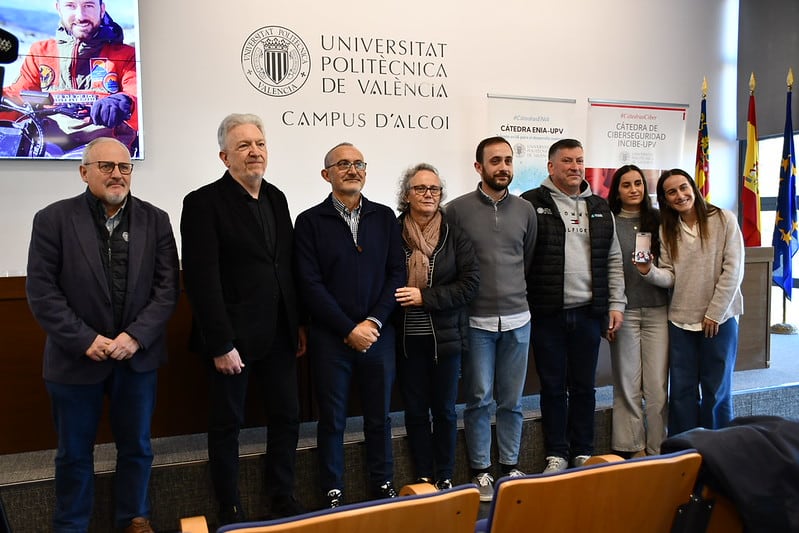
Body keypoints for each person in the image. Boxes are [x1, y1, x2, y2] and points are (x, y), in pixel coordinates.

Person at [25, 136, 179, 533]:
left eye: (124, 167)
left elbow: (167, 289)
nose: (117, 175)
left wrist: (136, 337)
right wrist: (85, 340)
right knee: (74, 454)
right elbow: (42, 291)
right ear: (84, 172)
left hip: (137, 358)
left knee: (137, 448)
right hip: (75, 360)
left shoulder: (155, 219)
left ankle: (134, 518)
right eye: (106, 167)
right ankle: (71, 525)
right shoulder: (52, 219)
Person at [180, 113, 307, 524]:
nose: (254, 152)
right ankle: (229, 505)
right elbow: (201, 279)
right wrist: (220, 343)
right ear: (224, 156)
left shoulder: (277, 198)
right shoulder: (202, 203)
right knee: (227, 425)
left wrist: (297, 324)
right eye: (243, 146)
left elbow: (283, 267)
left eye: (260, 144)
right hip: (231, 340)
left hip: (280, 335)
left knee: (287, 417)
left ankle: (281, 496)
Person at [294, 142, 405, 508]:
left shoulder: (385, 217)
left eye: (358, 163)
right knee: (332, 420)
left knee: (379, 417)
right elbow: (309, 284)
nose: (352, 169)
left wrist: (372, 322)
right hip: (331, 338)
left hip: (378, 335)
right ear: (327, 174)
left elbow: (396, 274)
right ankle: (332, 491)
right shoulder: (310, 221)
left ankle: (383, 483)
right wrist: (347, 328)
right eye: (343, 164)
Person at [521, 138, 626, 473]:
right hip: (547, 312)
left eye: (579, 160)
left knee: (584, 386)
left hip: (588, 312)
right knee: (552, 386)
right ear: (551, 166)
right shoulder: (531, 203)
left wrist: (615, 304)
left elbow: (612, 259)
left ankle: (583, 449)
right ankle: (556, 452)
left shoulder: (598, 205)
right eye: (567, 161)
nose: (575, 167)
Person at [444, 136, 537, 502]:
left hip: (519, 319)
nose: (503, 167)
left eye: (508, 160)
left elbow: (524, 258)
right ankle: (481, 469)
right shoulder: (456, 210)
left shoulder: (526, 209)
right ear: (478, 167)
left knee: (512, 400)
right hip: (476, 322)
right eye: (495, 161)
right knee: (480, 398)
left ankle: (510, 465)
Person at [636, 169, 744, 435]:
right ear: (665, 198)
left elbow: (733, 270)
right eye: (671, 192)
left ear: (693, 187)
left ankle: (717, 449)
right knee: (682, 390)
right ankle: (684, 450)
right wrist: (648, 271)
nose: (680, 195)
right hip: (681, 320)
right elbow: (671, 275)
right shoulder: (667, 229)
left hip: (720, 320)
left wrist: (715, 313)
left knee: (715, 389)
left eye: (683, 188)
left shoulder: (723, 219)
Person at [393, 163, 480, 490]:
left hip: (445, 340)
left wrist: (425, 297)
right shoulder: (392, 231)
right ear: (406, 195)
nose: (428, 194)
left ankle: (445, 474)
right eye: (420, 188)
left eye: (434, 189)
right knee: (415, 412)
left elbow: (470, 285)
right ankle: (423, 475)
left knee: (444, 411)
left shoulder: (454, 235)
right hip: (404, 341)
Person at [3, 0, 138, 155]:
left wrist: (123, 102)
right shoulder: (40, 52)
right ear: (58, 8)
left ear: (101, 9)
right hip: (44, 147)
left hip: (103, 149)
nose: (80, 16)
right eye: (70, 5)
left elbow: (138, 100)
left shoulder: (126, 55)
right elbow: (16, 99)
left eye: (88, 5)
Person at [605, 164, 669, 456]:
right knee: (627, 385)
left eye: (638, 184)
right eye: (626, 185)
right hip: (625, 313)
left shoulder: (658, 220)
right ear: (616, 190)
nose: (634, 189)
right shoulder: (608, 221)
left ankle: (658, 448)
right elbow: (609, 269)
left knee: (656, 387)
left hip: (658, 312)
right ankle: (632, 448)